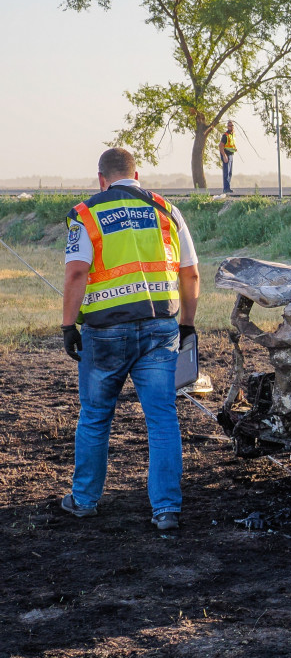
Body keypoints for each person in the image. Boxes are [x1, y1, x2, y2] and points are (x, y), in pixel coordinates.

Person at [60, 148, 201, 531]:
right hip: (160, 329)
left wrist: (68, 326)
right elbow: (190, 273)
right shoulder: (166, 210)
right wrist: (187, 323)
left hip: (104, 333)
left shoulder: (86, 214)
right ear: (136, 175)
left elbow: (76, 274)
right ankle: (166, 510)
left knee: (95, 417)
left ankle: (84, 500)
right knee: (162, 419)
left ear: (101, 178)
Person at [219, 121, 236, 194]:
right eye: (229, 126)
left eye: (232, 125)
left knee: (230, 173)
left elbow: (231, 144)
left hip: (231, 155)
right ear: (227, 127)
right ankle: (226, 188)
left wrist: (234, 148)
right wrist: (224, 155)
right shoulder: (225, 135)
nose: (231, 127)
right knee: (226, 172)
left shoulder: (233, 135)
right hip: (226, 155)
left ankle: (228, 187)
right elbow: (221, 146)